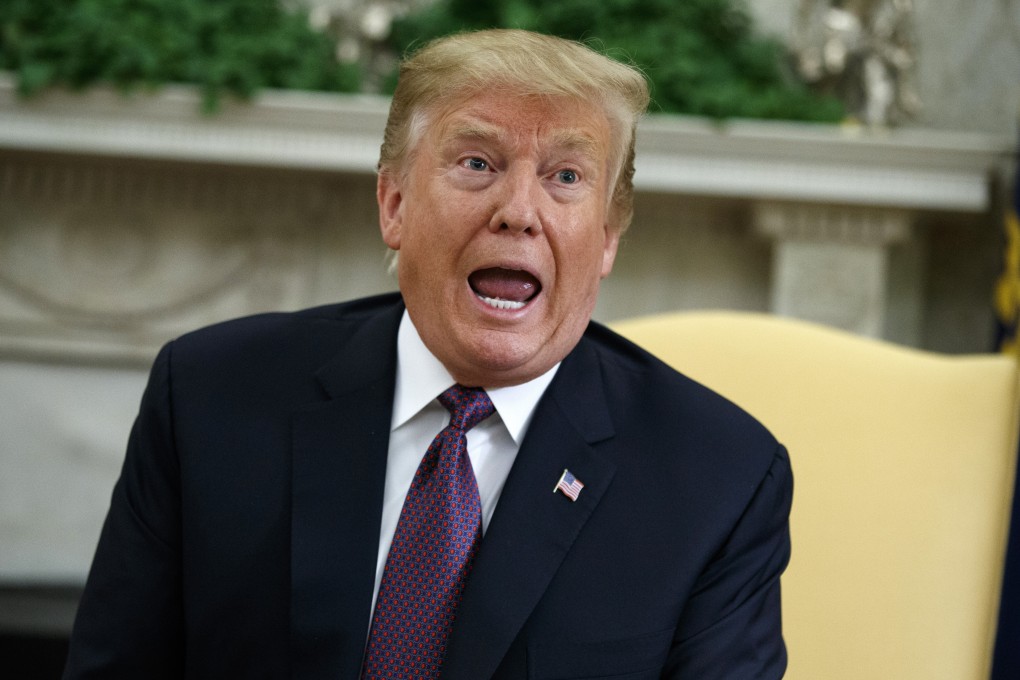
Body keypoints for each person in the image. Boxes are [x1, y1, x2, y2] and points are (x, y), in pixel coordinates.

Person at [63, 29, 792, 679]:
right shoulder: (208, 395)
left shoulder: (720, 479)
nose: (519, 210)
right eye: (477, 162)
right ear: (395, 204)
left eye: (566, 177)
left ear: (606, 238)